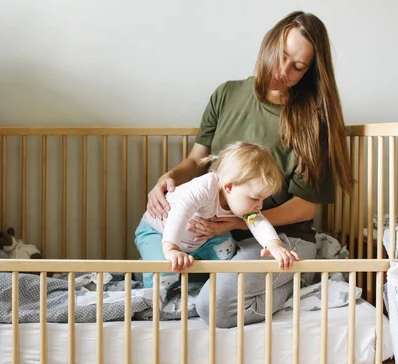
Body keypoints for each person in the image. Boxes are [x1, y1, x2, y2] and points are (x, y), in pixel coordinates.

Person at [145, 10, 353, 328]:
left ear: (309, 73)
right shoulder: (226, 94)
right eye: (281, 56)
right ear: (269, 43)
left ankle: (300, 275)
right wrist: (168, 179)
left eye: (297, 67)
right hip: (222, 233)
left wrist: (234, 222)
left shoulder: (312, 121)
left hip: (279, 236)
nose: (282, 71)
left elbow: (303, 208)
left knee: (215, 308)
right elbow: (195, 162)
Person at [134, 141, 298, 290]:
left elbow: (258, 221)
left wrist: (274, 245)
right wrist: (171, 249)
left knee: (227, 257)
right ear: (229, 187)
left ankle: (207, 289)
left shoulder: (243, 200)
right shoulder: (204, 188)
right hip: (159, 233)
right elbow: (179, 213)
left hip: (201, 239)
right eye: (255, 198)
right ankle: (152, 293)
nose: (260, 206)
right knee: (162, 272)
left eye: (263, 199)